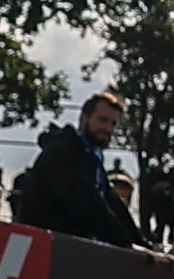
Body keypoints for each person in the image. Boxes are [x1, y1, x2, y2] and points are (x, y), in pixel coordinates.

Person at [9, 91, 136, 246]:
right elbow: (89, 207)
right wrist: (128, 245)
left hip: (74, 251)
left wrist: (141, 245)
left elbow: (112, 204)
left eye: (113, 124)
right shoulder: (62, 155)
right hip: (47, 251)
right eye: (102, 120)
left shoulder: (93, 160)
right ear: (83, 118)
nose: (107, 128)